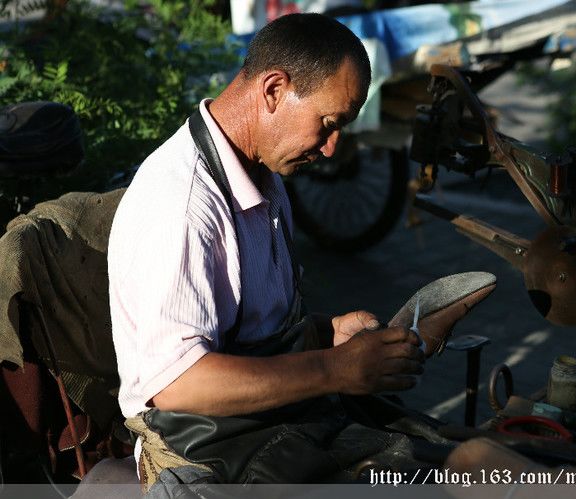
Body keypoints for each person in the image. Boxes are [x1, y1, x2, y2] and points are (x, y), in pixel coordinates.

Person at [108, 13, 429, 490]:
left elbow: (248, 331)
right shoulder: (182, 207)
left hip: (271, 426)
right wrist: (335, 370)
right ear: (274, 89)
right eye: (328, 123)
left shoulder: (266, 178)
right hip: (203, 454)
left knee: (445, 458)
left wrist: (326, 332)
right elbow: (177, 383)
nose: (330, 149)